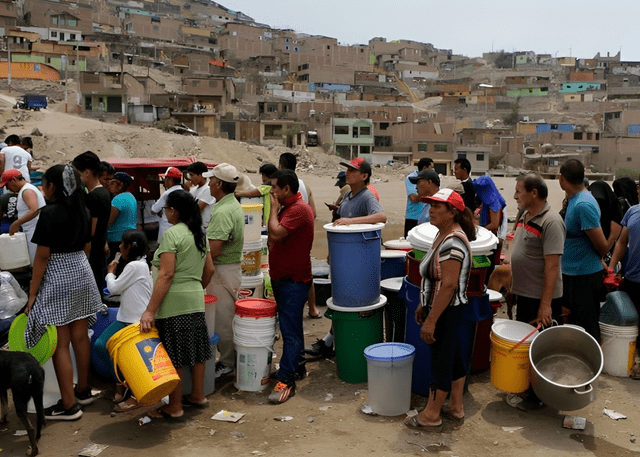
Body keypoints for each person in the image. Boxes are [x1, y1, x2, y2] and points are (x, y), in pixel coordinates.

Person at [24, 164, 102, 420]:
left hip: (58, 274)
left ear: (53, 187)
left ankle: (68, 406)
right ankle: (83, 390)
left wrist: (33, 294)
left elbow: (42, 257)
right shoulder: (83, 208)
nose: (42, 188)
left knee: (60, 343)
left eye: (44, 184)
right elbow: (87, 246)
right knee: (81, 336)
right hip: (81, 268)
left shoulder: (49, 214)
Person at [404, 188, 476, 431]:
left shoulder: (453, 241)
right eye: (430, 206)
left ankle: (431, 415)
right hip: (441, 308)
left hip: (446, 310)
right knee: (453, 357)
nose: (431, 211)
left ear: (452, 212)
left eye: (437, 207)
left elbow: (449, 285)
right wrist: (424, 305)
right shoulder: (444, 235)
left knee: (441, 362)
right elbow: (436, 280)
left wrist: (432, 319)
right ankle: (456, 407)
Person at [140, 191, 215, 420]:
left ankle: (175, 407)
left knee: (174, 355)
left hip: (173, 303)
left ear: (173, 210)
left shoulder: (172, 235)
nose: (165, 214)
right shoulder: (199, 234)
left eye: (166, 210)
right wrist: (195, 286)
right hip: (195, 299)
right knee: (198, 350)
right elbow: (209, 269)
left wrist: (150, 310)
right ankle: (198, 395)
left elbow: (166, 274)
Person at [306, 158, 387, 358]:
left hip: (357, 262)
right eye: (347, 170)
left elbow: (381, 216)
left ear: (364, 176)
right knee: (340, 301)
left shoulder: (367, 197)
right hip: (344, 257)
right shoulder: (348, 195)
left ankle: (332, 342)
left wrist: (351, 221)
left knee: (349, 302)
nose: (347, 173)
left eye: (353, 170)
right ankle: (331, 341)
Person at [509, 173, 567, 409]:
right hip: (525, 294)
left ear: (534, 193)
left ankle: (539, 398)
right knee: (526, 347)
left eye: (519, 191)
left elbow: (552, 266)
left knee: (540, 349)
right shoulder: (525, 214)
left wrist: (546, 305)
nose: (514, 195)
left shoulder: (551, 222)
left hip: (539, 298)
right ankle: (528, 390)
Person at [267, 169, 315, 403]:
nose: (271, 191)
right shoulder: (290, 208)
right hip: (284, 279)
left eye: (275, 187)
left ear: (287, 189)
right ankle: (297, 367)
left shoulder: (297, 209)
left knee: (290, 331)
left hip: (293, 282)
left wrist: (273, 210)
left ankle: (286, 380)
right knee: (292, 327)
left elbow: (275, 234)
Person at [93, 230, 153, 412]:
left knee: (107, 347)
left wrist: (110, 273)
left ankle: (127, 390)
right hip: (128, 319)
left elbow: (113, 288)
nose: (119, 247)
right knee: (104, 346)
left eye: (122, 244)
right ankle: (121, 386)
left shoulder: (135, 266)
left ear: (129, 247)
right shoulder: (139, 265)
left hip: (134, 322)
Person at [559, 159, 608, 342]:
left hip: (583, 276)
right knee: (573, 325)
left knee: (587, 326)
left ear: (561, 179)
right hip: (572, 273)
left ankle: (592, 365)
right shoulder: (574, 200)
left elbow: (601, 245)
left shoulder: (583, 205)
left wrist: (600, 259)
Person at [204, 163, 244, 379]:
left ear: (219, 184)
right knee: (227, 316)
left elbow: (215, 250)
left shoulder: (223, 210)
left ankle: (228, 363)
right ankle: (230, 360)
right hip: (229, 269)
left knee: (222, 320)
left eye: (211, 180)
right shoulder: (231, 204)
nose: (209, 183)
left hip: (221, 270)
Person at [278, 153, 319, 318]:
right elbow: (314, 213)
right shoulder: (305, 185)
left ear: (280, 166)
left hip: (285, 235)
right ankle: (313, 308)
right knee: (306, 271)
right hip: (302, 238)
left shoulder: (281, 186)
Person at [609, 199, 640, 377]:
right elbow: (621, 242)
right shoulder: (633, 212)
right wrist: (612, 268)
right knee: (629, 324)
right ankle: (629, 362)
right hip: (632, 278)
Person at [73, 151, 112, 290]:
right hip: (100, 251)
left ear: (87, 172)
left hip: (93, 254)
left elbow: (91, 231)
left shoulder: (93, 197)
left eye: (78, 172)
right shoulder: (105, 193)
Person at [0, 169, 46, 264]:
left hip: (34, 233)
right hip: (32, 232)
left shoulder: (27, 190)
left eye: (7, 185)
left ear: (13, 180)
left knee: (35, 263)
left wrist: (16, 223)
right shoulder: (26, 189)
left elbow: (34, 210)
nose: (7, 189)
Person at [473, 175, 508, 270]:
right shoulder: (488, 201)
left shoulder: (494, 202)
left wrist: (478, 230)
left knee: (489, 266)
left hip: (491, 239)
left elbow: (494, 224)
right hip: (488, 238)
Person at [106, 172, 137, 263]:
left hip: (117, 240)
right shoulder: (131, 197)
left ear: (121, 184)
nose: (109, 185)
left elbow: (108, 222)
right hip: (129, 237)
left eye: (113, 183)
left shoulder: (119, 199)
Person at [151, 167, 185, 245]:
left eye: (165, 179)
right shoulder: (183, 192)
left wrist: (161, 211)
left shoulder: (167, 194)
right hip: (180, 230)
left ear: (170, 179)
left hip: (167, 229)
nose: (164, 182)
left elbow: (153, 210)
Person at [588, 180, 622, 254]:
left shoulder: (614, 210)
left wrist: (603, 253)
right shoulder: (585, 207)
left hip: (607, 253)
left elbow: (612, 238)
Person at [405, 158, 434, 236]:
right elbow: (413, 198)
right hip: (413, 217)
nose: (433, 169)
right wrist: (429, 196)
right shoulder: (411, 178)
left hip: (427, 219)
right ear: (425, 168)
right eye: (432, 167)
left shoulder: (433, 179)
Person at [186, 161, 216, 232]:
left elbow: (196, 210)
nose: (190, 178)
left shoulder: (208, 189)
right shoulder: (193, 190)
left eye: (192, 175)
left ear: (201, 175)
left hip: (204, 230)